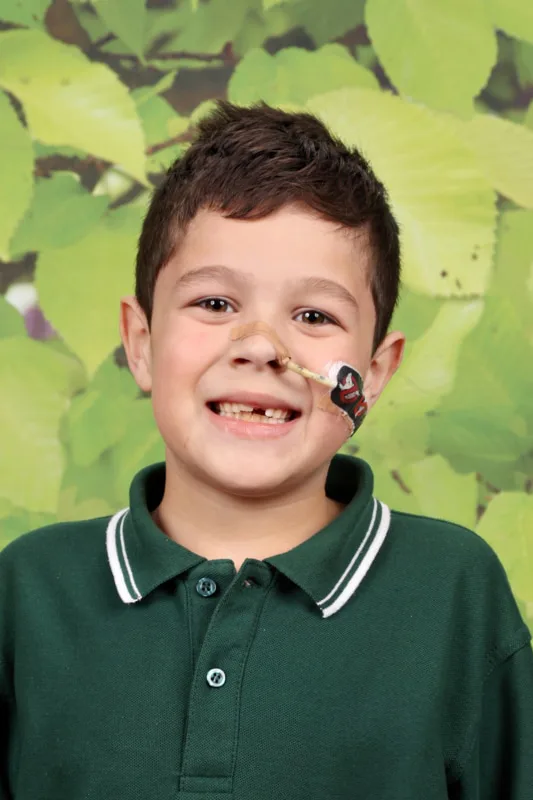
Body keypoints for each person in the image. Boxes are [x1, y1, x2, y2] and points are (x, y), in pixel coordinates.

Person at [1, 101, 532, 800]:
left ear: (371, 374)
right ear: (141, 344)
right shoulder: (29, 592)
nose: (260, 347)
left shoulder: (451, 591)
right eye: (215, 304)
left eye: (313, 316)